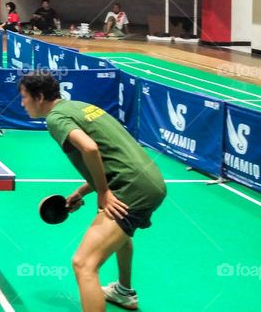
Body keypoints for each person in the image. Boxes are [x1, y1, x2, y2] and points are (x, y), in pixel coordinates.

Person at [18, 72, 166, 312]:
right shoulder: (80, 107)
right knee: (119, 230)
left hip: (132, 188)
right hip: (150, 180)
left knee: (83, 264)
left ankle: (122, 291)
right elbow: (113, 153)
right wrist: (84, 191)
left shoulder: (55, 118)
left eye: (24, 97)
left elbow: (90, 148)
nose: (22, 103)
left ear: (40, 96)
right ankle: (124, 292)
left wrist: (104, 192)